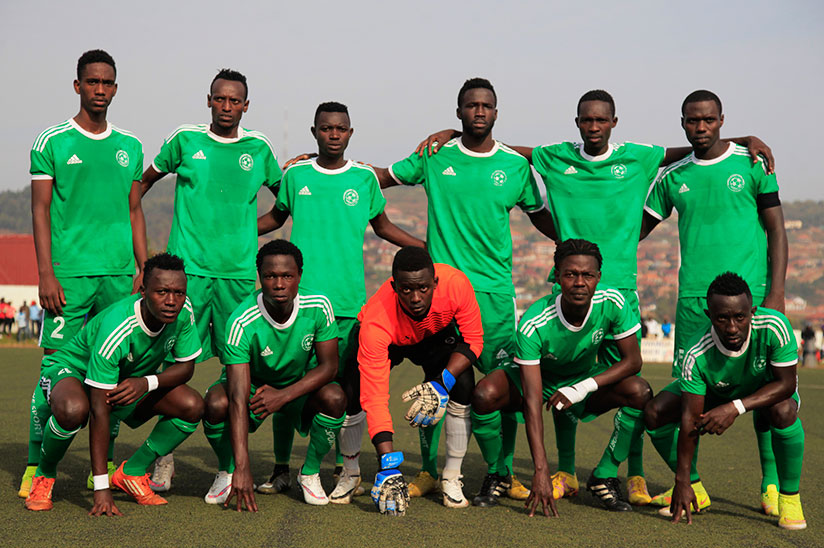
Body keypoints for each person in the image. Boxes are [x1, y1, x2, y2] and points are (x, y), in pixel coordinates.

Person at [416, 88, 772, 507]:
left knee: (632, 385)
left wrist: (741, 140)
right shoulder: (555, 156)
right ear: (577, 123)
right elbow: (499, 149)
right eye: (587, 119)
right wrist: (453, 134)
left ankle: (632, 474)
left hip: (620, 290)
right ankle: (564, 470)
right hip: (570, 287)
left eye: (601, 119)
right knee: (561, 372)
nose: (594, 126)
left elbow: (693, 148)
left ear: (613, 123)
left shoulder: (638, 156)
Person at [371, 78, 556, 506]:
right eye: (471, 105)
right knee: (434, 383)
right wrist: (323, 164)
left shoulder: (515, 166)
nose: (479, 111)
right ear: (458, 112)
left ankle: (500, 472)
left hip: (494, 294)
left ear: (497, 112)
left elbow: (541, 216)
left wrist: (571, 244)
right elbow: (382, 177)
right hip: (442, 293)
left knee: (500, 385)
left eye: (486, 105)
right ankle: (428, 471)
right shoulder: (435, 155)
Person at [257, 102, 423, 502]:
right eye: (326, 128)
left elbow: (383, 227)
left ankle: (339, 468)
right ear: (314, 132)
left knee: (344, 392)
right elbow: (275, 218)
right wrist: (233, 231)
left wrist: (426, 248)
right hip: (299, 304)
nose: (333, 134)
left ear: (350, 133)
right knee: (287, 384)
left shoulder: (363, 179)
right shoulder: (296, 175)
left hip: (347, 306)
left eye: (341, 128)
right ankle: (281, 468)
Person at [642, 90, 788, 511]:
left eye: (708, 119)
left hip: (751, 298)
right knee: (690, 398)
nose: (701, 127)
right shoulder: (671, 178)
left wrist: (776, 292)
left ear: (722, 119)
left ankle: (772, 483)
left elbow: (777, 231)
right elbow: (635, 230)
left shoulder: (752, 163)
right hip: (694, 302)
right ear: (682, 123)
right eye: (692, 121)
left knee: (767, 390)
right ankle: (693, 485)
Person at [141, 68, 282, 492]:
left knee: (235, 368)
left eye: (234, 100)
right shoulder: (185, 139)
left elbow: (284, 204)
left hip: (236, 275)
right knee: (171, 363)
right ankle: (163, 456)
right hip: (186, 276)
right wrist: (138, 251)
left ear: (246, 105)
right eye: (219, 99)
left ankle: (229, 464)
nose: (226, 106)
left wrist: (245, 232)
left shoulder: (259, 148)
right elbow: (142, 184)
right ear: (208, 100)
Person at [22, 49, 148, 499]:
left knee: (110, 370)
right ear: (77, 86)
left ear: (116, 88)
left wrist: (143, 266)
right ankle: (36, 464)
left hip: (118, 277)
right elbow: (39, 210)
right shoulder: (52, 141)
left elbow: (135, 210)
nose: (100, 89)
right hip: (69, 276)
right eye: (92, 82)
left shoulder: (131, 146)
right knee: (54, 368)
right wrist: (45, 273)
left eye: (107, 82)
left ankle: (105, 463)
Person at [470, 239, 649, 516]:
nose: (579, 283)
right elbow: (532, 401)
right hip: (537, 380)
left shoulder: (612, 302)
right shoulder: (534, 322)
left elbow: (633, 361)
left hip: (582, 379)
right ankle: (499, 473)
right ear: (557, 276)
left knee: (639, 391)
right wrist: (540, 470)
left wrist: (581, 388)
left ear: (598, 277)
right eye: (570, 274)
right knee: (485, 394)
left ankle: (604, 474)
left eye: (587, 275)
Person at [24, 253, 204, 515]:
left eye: (179, 292)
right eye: (162, 292)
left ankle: (131, 472)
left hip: (121, 379)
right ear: (143, 291)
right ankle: (44, 475)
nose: (171, 301)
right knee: (74, 409)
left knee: (192, 405)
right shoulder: (119, 326)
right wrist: (101, 490)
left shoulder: (184, 312)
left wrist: (146, 382)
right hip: (71, 371)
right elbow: (100, 410)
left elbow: (186, 367)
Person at [644, 272, 805, 530]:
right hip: (716, 391)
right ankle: (696, 488)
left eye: (740, 317)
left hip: (767, 389)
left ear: (752, 312)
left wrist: (735, 407)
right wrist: (682, 480)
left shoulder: (774, 326)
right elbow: (690, 418)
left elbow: (786, 384)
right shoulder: (696, 351)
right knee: (655, 412)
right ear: (709, 315)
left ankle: (789, 498)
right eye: (722, 318)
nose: (732, 327)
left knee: (783, 410)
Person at [202, 240, 346, 511]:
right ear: (260, 277)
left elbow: (329, 367)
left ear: (299, 275)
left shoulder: (318, 306)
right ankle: (227, 471)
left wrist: (283, 395)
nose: (279, 284)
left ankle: (310, 472)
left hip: (297, 386)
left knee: (335, 397)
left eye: (287, 276)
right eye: (270, 276)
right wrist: (243, 468)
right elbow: (237, 397)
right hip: (253, 389)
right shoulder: (241, 321)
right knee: (216, 403)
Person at [356, 246, 484, 515]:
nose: (415, 298)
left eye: (423, 288)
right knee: (352, 387)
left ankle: (451, 476)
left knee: (462, 382)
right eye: (406, 290)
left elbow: (473, 340)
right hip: (393, 341)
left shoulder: (455, 284)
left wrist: (440, 382)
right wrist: (388, 464)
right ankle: (349, 472)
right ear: (394, 287)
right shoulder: (375, 323)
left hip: (434, 337)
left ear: (435, 282)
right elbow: (375, 397)